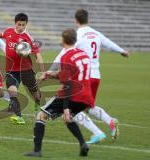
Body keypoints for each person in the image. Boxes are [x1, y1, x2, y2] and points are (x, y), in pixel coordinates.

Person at [48, 9, 130, 143]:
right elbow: (108, 43)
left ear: (76, 20)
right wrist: (122, 51)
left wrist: (49, 71)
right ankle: (110, 121)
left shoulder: (77, 35)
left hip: (82, 76)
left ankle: (97, 132)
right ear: (87, 19)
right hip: (96, 76)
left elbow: (62, 54)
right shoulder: (96, 33)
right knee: (87, 106)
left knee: (73, 108)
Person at [24, 29, 92, 157]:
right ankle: (83, 144)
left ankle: (37, 151)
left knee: (41, 116)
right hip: (86, 95)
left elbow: (67, 83)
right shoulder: (84, 54)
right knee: (68, 119)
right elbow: (71, 75)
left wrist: (65, 107)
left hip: (72, 94)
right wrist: (50, 75)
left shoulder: (66, 57)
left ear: (63, 40)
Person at [0, 13, 44, 125]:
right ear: (15, 23)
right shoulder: (9, 31)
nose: (21, 27)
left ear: (26, 25)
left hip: (26, 70)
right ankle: (19, 117)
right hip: (11, 70)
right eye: (19, 25)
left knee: (35, 94)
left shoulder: (28, 38)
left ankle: (38, 106)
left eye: (23, 25)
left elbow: (38, 54)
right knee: (12, 92)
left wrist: (42, 70)